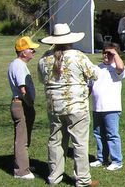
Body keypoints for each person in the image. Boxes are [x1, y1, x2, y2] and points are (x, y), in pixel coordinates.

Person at [37, 23, 99, 186]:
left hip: (54, 106)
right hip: (76, 106)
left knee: (56, 141)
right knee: (79, 143)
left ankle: (54, 176)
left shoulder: (44, 58)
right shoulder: (78, 56)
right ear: (70, 39)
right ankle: (83, 179)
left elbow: (41, 79)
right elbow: (94, 74)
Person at [89, 42, 125, 171]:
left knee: (112, 134)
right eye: (104, 52)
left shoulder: (117, 68)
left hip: (111, 107)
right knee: (98, 134)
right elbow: (90, 86)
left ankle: (117, 160)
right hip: (97, 107)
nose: (106, 55)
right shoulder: (96, 68)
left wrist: (114, 54)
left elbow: (121, 68)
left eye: (109, 53)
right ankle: (101, 158)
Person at [8, 36, 40, 179]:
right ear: (22, 52)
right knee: (22, 139)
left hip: (21, 104)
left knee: (24, 138)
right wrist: (29, 104)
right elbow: (23, 89)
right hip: (21, 104)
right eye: (30, 49)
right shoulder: (19, 65)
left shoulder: (18, 64)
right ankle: (21, 171)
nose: (33, 50)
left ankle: (23, 164)